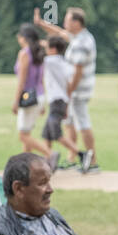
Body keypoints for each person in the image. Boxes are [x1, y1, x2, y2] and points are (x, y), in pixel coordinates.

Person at [34, 6, 99, 173]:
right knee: (69, 123)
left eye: (67, 20)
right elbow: (59, 33)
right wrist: (41, 23)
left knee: (83, 122)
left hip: (78, 90)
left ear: (77, 22)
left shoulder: (82, 43)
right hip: (71, 89)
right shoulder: (79, 37)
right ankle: (72, 158)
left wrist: (68, 93)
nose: (64, 23)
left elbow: (78, 72)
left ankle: (92, 161)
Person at [13, 24, 52, 161]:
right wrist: (44, 103)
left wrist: (16, 101)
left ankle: (49, 154)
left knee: (23, 135)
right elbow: (41, 79)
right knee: (27, 134)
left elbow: (22, 80)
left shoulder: (24, 53)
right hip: (40, 96)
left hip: (28, 97)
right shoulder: (39, 53)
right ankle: (27, 165)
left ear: (24, 38)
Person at [40, 35, 78, 166]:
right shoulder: (64, 63)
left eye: (47, 47)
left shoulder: (50, 61)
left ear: (53, 49)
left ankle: (81, 154)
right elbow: (69, 85)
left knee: (56, 133)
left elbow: (37, 57)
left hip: (56, 101)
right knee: (47, 134)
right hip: (61, 101)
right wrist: (67, 106)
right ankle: (48, 162)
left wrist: (36, 43)